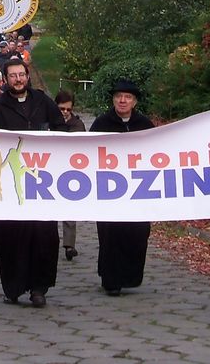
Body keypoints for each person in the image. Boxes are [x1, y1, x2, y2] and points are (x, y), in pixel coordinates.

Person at [0, 57, 66, 307]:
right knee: (12, 237)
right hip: (12, 184)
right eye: (12, 76)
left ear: (27, 76)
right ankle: (14, 286)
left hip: (42, 183)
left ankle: (39, 288)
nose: (18, 79)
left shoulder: (43, 102)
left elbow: (61, 131)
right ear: (6, 80)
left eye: (21, 75)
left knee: (45, 237)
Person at [89, 80, 155, 294]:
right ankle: (110, 279)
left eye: (127, 97)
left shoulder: (145, 125)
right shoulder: (101, 123)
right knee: (111, 234)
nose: (123, 100)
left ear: (134, 101)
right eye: (119, 96)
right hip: (108, 189)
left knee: (138, 232)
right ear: (113, 99)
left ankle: (130, 276)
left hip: (138, 188)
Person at [53, 89, 86, 262]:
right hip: (51, 167)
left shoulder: (77, 124)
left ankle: (69, 244)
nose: (65, 112)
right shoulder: (50, 122)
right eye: (61, 109)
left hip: (70, 169)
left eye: (68, 109)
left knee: (69, 209)